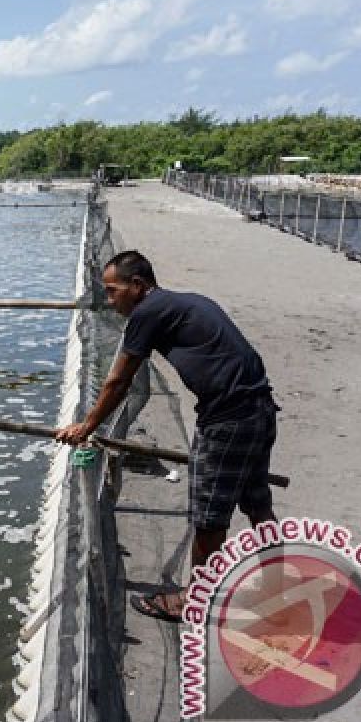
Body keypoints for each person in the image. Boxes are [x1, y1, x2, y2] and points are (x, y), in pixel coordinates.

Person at [55, 250, 279, 622]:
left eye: (113, 292)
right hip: (259, 409)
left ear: (138, 286)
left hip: (228, 421)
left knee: (209, 517)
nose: (110, 302)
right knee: (256, 502)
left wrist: (86, 426)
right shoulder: (184, 302)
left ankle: (196, 600)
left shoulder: (148, 312)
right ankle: (278, 580)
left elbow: (119, 380)